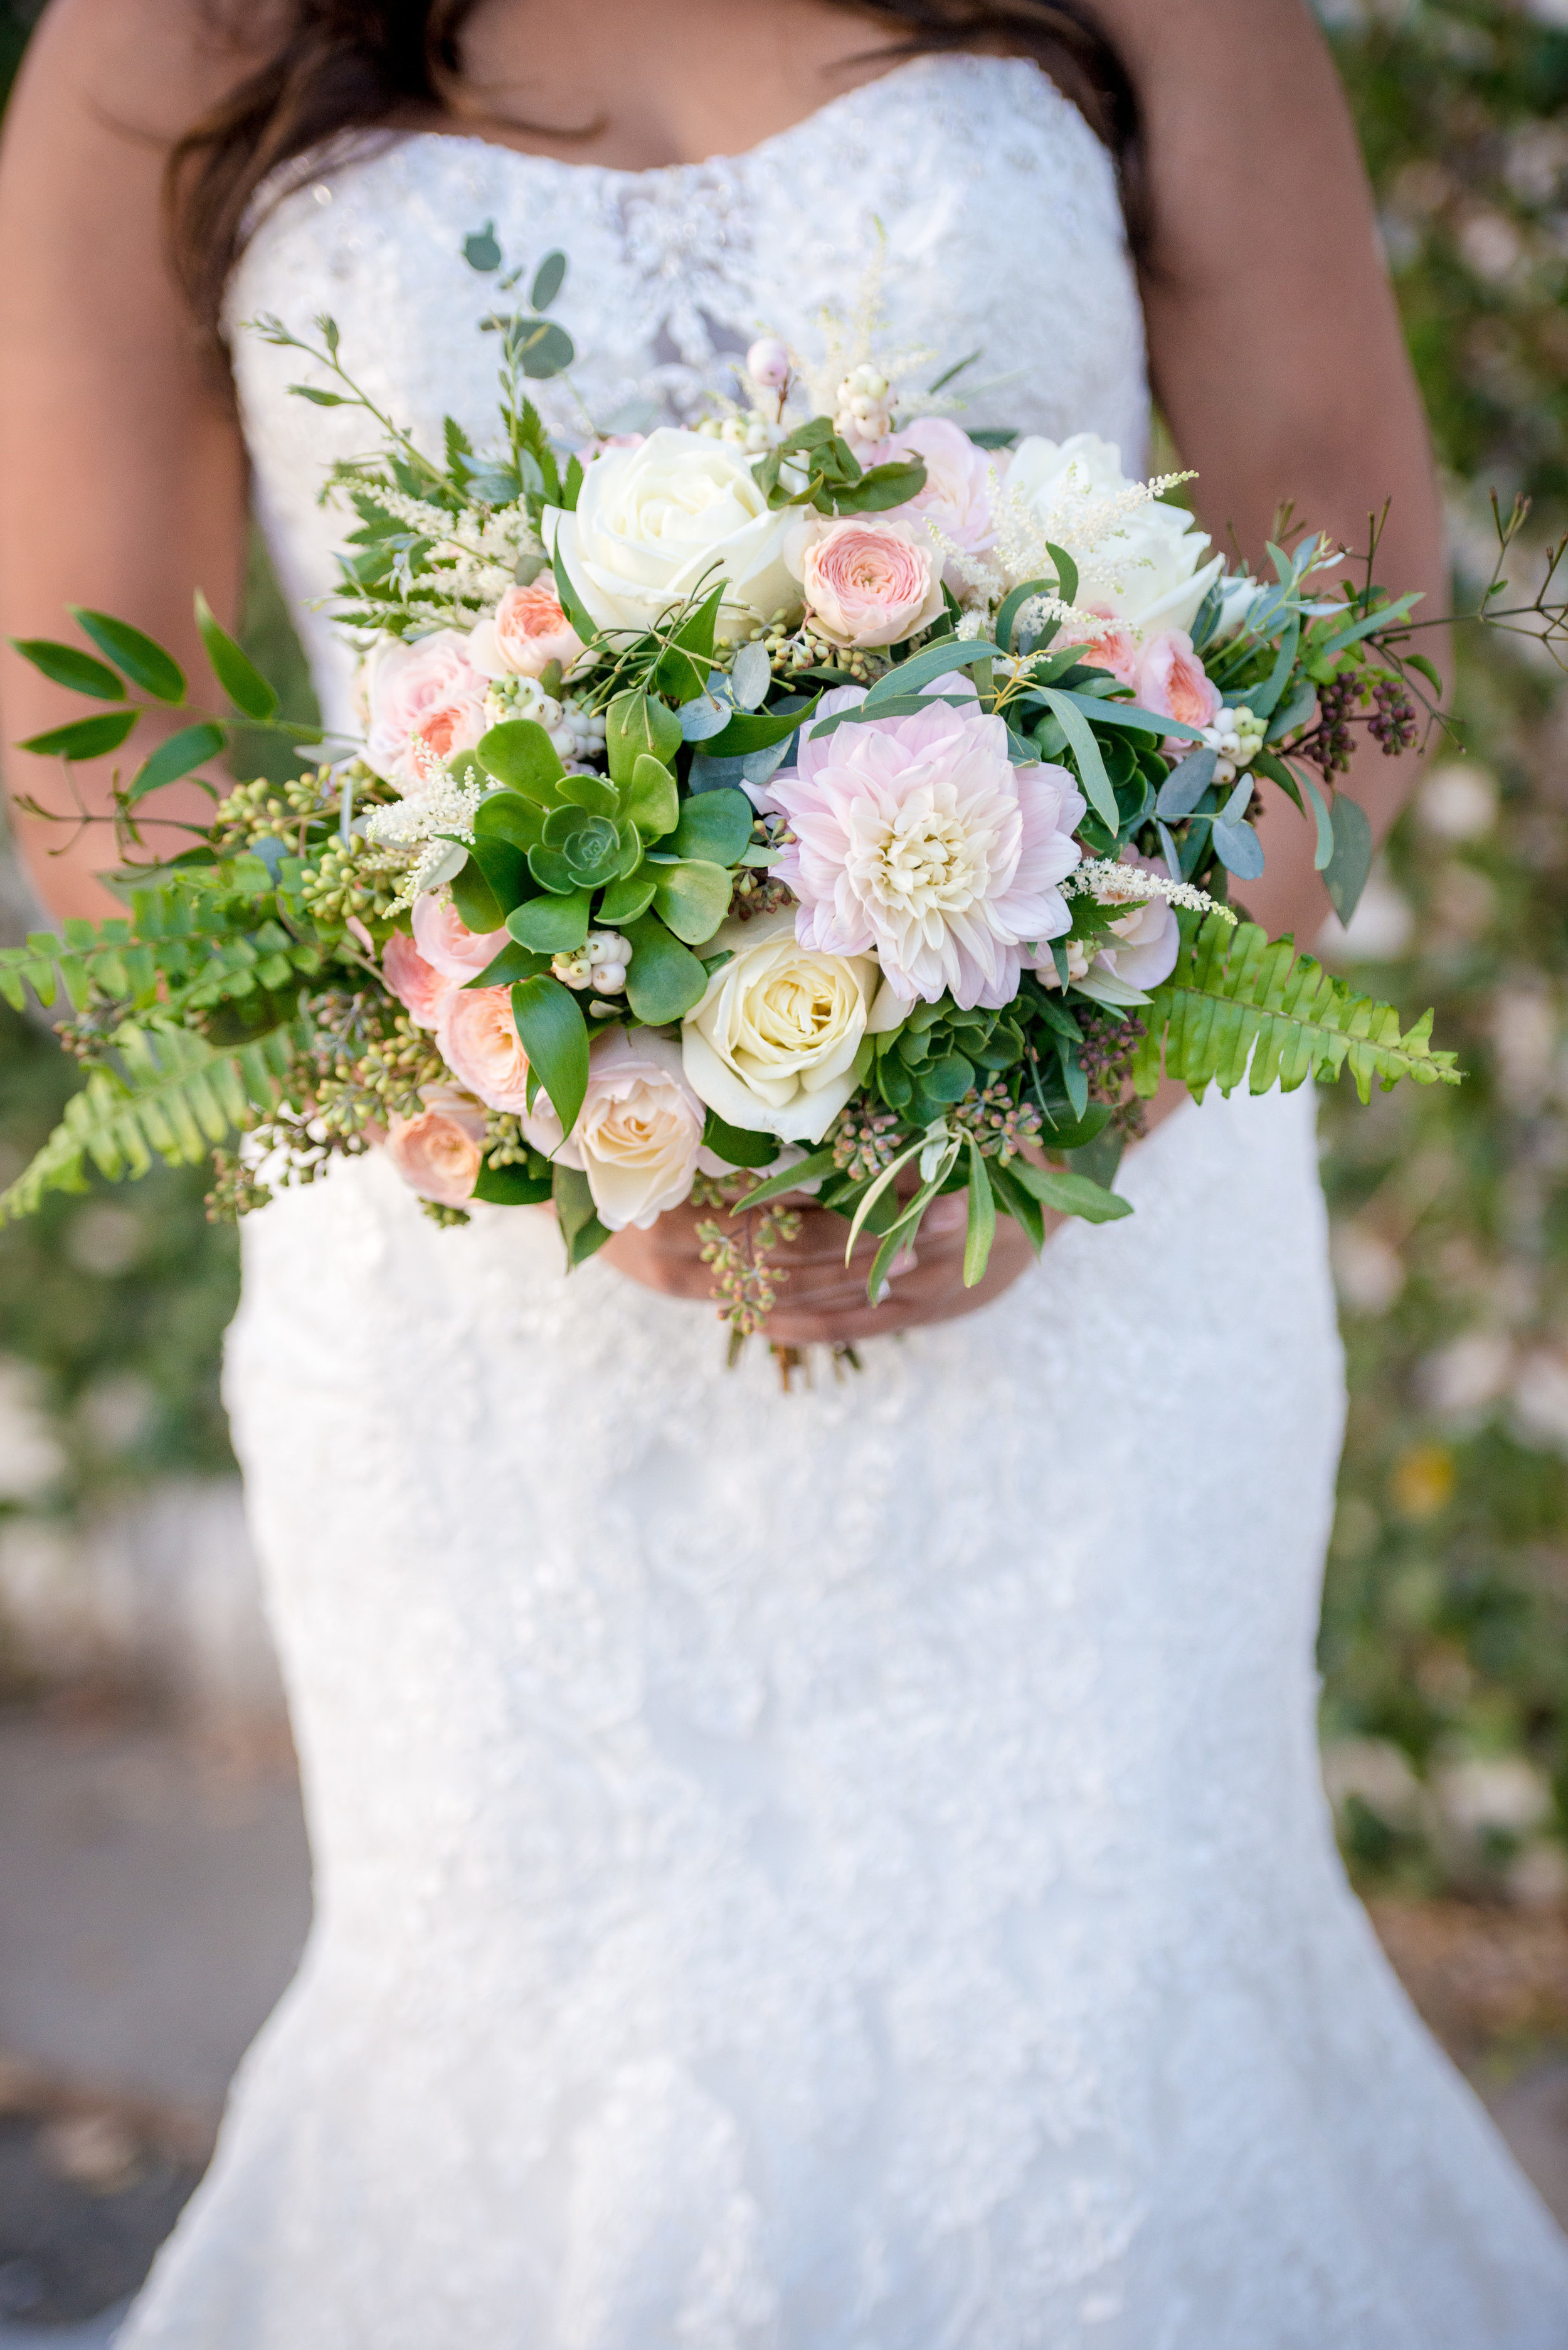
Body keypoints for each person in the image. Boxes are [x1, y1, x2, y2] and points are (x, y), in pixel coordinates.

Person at [2, 2, 1565, 2342]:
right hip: (476, 1313)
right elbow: (81, 752)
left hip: (1097, 1264)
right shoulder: (180, 26)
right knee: (529, 2031)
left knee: (1110, 2012)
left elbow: (1351, 623)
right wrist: (516, 1121)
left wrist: (1071, 1097)